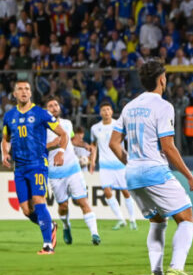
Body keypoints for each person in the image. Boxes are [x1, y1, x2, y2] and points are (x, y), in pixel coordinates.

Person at [109, 58, 193, 275]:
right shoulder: (163, 106)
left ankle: (156, 273)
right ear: (162, 79)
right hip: (154, 170)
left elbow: (114, 143)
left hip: (131, 174)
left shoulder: (129, 106)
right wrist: (189, 176)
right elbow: (168, 147)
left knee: (158, 222)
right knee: (187, 219)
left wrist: (129, 162)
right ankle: (177, 268)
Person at [1, 80, 66, 254]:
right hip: (19, 167)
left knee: (38, 200)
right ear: (14, 94)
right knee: (26, 210)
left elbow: (63, 133)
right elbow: (6, 139)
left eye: (27, 89)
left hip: (38, 164)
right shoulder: (9, 116)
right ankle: (50, 225)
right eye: (20, 89)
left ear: (31, 93)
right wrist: (5, 153)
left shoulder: (40, 113)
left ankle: (47, 245)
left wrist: (61, 152)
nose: (24, 92)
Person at [44, 96, 100, 246]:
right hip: (55, 172)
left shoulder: (67, 124)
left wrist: (85, 145)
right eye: (50, 106)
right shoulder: (41, 127)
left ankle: (95, 234)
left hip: (73, 169)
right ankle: (66, 226)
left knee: (83, 201)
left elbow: (73, 140)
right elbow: (38, 148)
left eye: (56, 104)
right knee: (63, 206)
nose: (54, 107)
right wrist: (51, 145)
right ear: (45, 110)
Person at [90, 101, 138, 230]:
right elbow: (94, 146)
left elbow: (129, 141)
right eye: (104, 110)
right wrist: (92, 161)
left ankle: (132, 218)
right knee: (107, 191)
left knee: (125, 192)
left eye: (108, 109)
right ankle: (121, 219)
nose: (106, 112)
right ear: (100, 113)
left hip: (119, 164)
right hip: (105, 166)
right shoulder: (95, 128)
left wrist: (131, 158)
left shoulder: (118, 125)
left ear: (112, 111)